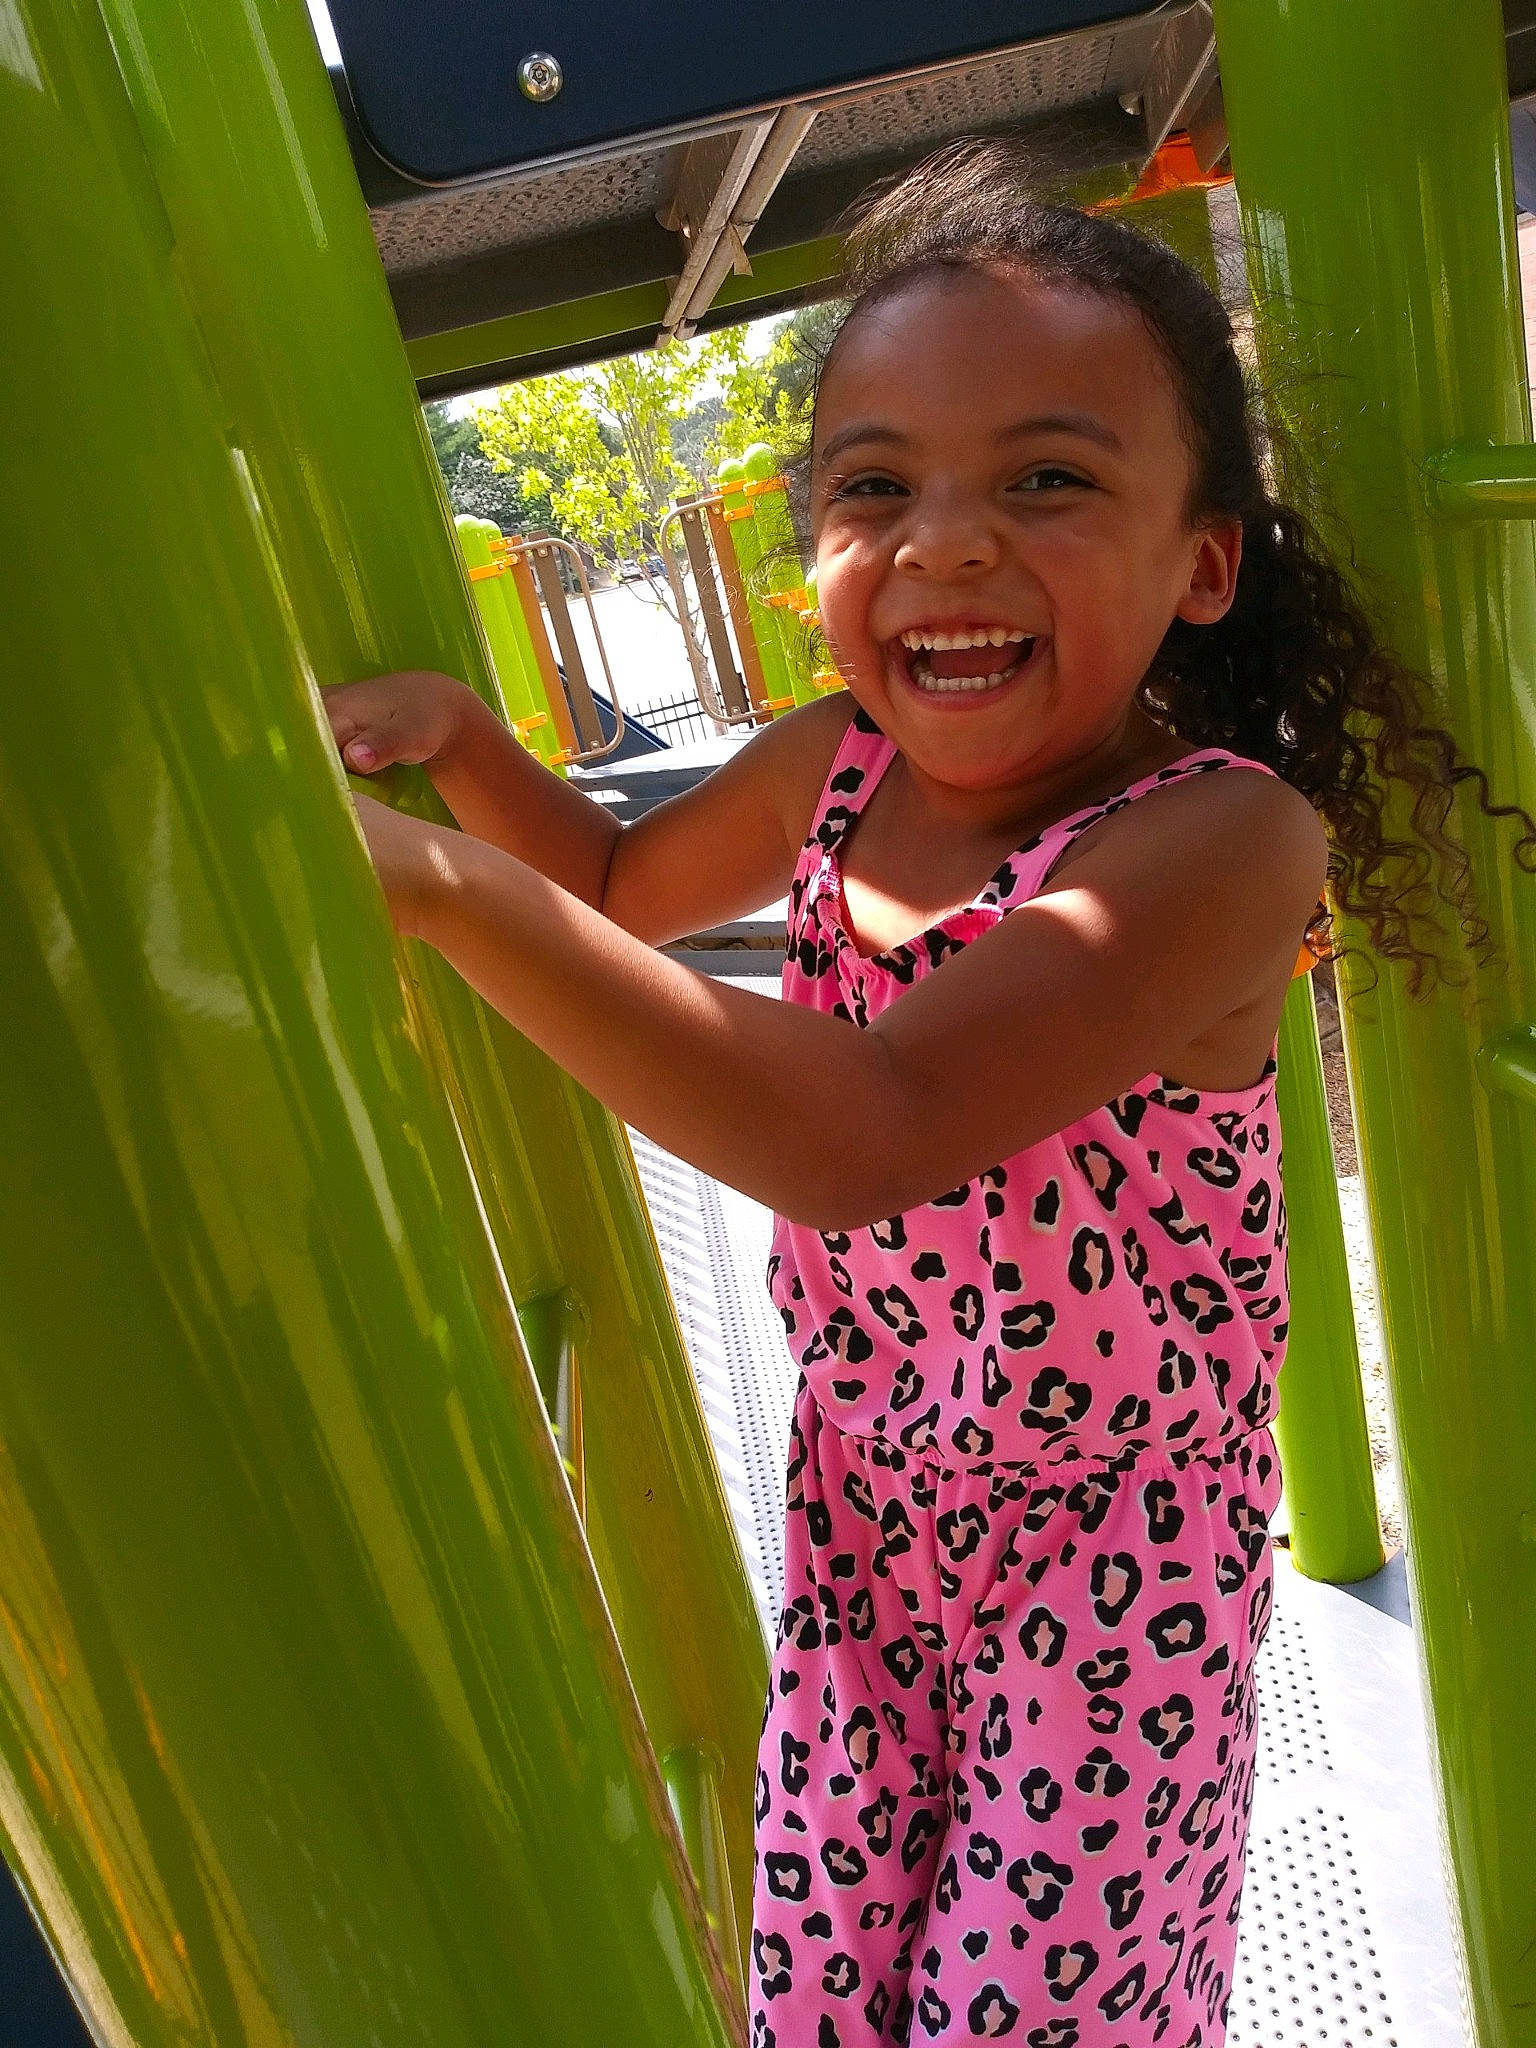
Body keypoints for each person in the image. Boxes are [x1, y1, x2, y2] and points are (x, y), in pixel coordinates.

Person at [324, 139, 1531, 2048]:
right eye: (876, 487)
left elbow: (867, 1136)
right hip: (867, 1501)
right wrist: (472, 753)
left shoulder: (1217, 842)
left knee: (1035, 2015)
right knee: (821, 1993)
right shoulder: (829, 760)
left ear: (1202, 563)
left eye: (1046, 479)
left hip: (1111, 1548)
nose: (948, 543)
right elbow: (626, 891)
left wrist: (435, 886)